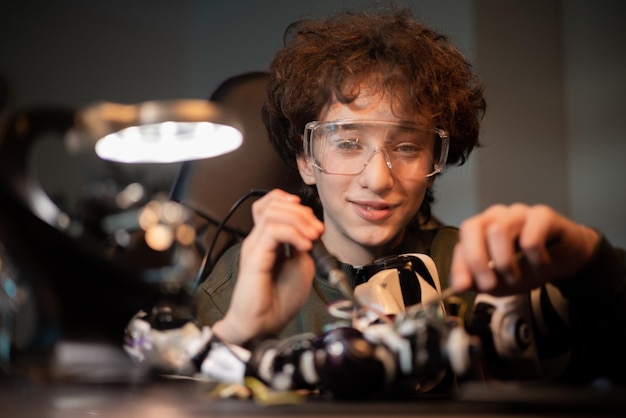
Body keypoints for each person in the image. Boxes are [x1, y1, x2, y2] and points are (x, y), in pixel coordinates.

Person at [192, 7, 626, 387]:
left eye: (406, 148)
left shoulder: (479, 271)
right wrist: (236, 333)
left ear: (434, 164)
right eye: (347, 143)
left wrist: (589, 260)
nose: (379, 180)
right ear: (305, 160)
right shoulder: (243, 279)